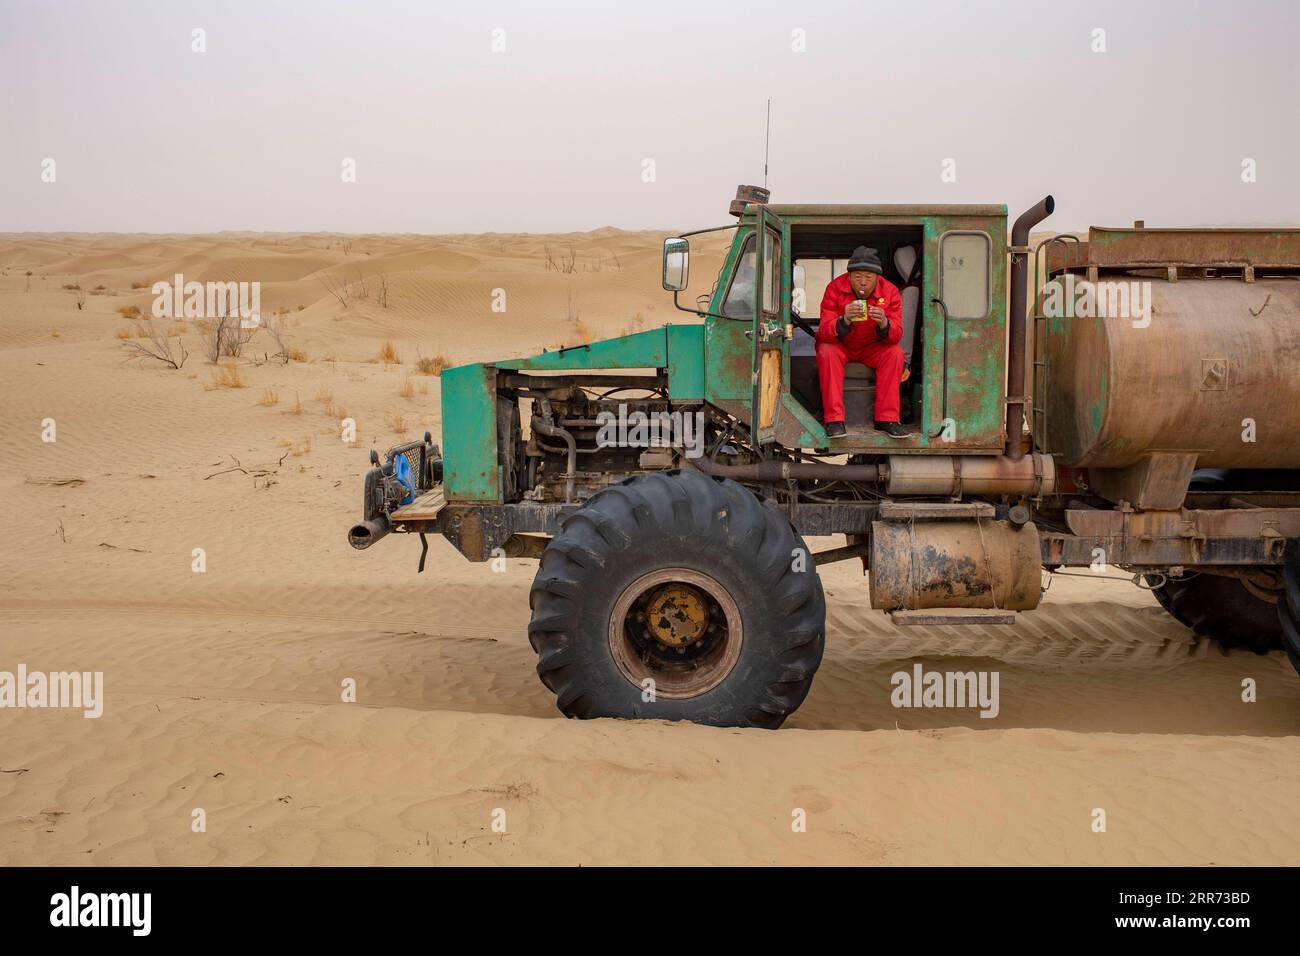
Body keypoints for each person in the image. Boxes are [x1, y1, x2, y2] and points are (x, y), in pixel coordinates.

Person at [815, 246, 913, 439]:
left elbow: (896, 335)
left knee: (895, 353)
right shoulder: (835, 288)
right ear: (849, 276)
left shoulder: (890, 291)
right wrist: (844, 320)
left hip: (871, 347)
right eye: (858, 276)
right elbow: (824, 332)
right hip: (842, 346)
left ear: (877, 279)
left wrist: (885, 323)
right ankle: (834, 420)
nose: (863, 282)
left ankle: (887, 419)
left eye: (868, 278)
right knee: (826, 350)